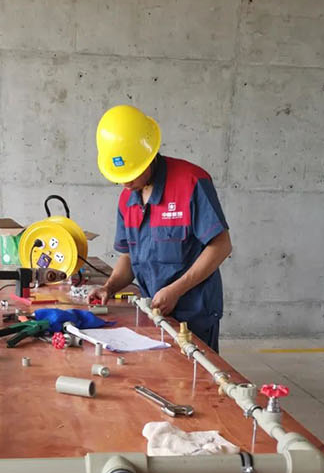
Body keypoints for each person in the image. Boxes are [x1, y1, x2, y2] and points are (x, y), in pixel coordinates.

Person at [93, 104, 232, 350]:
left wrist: (176, 290)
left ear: (148, 158)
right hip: (154, 312)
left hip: (194, 314)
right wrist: (109, 287)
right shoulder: (127, 199)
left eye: (132, 174)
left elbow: (221, 246)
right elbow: (129, 256)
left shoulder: (191, 182)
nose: (125, 183)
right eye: (120, 177)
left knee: (198, 372)